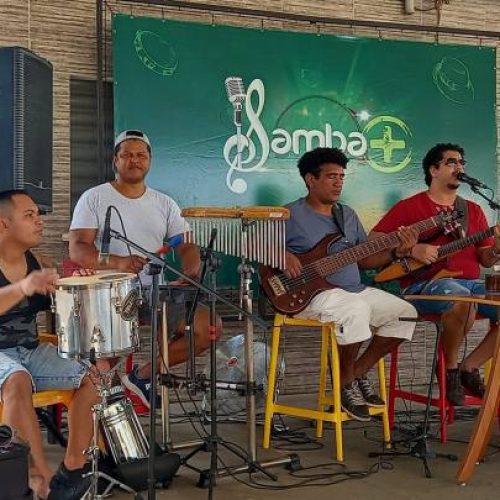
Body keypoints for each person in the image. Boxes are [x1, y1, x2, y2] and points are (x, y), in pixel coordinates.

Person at [69, 129, 222, 408]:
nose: (134, 160)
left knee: (206, 327)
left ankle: (142, 375)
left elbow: (185, 243)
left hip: (154, 292)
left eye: (141, 155)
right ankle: (98, 422)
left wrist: (191, 269)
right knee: (105, 362)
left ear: (150, 161)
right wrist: (118, 263)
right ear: (115, 161)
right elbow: (78, 248)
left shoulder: (164, 203)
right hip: (111, 295)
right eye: (127, 154)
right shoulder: (94, 198)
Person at [284, 147, 418, 421]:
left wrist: (396, 251)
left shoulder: (347, 215)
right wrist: (279, 254)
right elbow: (251, 244)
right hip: (309, 295)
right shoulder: (288, 214)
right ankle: (344, 385)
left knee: (405, 313)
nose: (339, 182)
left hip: (352, 290)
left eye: (342, 176)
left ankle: (357, 372)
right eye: (332, 176)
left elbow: (366, 260)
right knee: (354, 308)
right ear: (311, 179)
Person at [371, 143, 500, 406]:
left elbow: (485, 257)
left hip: (469, 284)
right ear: (434, 169)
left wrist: (497, 248)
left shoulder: (473, 209)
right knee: (460, 297)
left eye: (461, 162)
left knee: (467, 294)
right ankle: (449, 371)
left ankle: (468, 367)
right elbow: (373, 241)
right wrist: (413, 248)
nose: (459, 167)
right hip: (423, 286)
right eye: (451, 162)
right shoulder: (410, 207)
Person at [0, 189, 99, 500]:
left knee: (95, 378)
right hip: (3, 358)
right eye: (29, 215)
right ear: (4, 224)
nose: (39, 222)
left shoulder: (37, 260)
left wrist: (71, 284)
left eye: (38, 215)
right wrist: (24, 286)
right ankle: (38, 479)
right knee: (17, 381)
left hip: (31, 350)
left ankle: (71, 470)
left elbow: (63, 302)